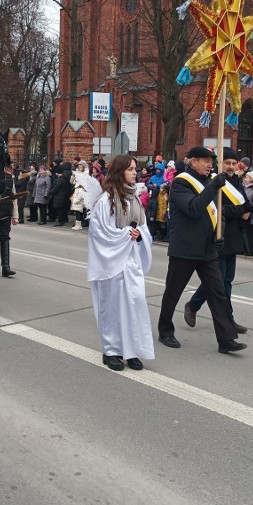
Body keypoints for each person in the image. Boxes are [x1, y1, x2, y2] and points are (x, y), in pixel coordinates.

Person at [156, 146, 245, 354]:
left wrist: (218, 234)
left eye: (211, 161)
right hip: (185, 249)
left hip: (207, 249)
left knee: (218, 293)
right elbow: (194, 209)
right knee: (173, 292)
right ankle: (165, 331)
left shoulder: (209, 183)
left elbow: (217, 213)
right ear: (193, 161)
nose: (210, 164)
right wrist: (213, 187)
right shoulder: (180, 183)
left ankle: (226, 339)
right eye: (205, 160)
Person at [87, 154, 154, 371]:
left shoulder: (134, 199)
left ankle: (132, 350)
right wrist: (126, 234)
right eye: (131, 169)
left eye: (136, 169)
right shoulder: (106, 201)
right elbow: (100, 232)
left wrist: (138, 234)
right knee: (113, 307)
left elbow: (144, 228)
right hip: (112, 263)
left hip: (131, 261)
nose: (136, 172)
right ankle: (112, 350)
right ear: (119, 172)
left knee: (135, 304)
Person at [184, 147, 253, 335]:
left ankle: (204, 309)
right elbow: (217, 208)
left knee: (227, 281)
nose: (231, 167)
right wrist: (241, 211)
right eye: (227, 163)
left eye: (233, 164)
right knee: (218, 281)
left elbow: (244, 204)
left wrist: (250, 209)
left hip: (234, 236)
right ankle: (205, 311)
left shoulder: (236, 182)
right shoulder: (213, 181)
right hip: (218, 235)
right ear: (219, 164)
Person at [0, 164, 19, 277]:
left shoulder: (9, 179)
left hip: (5, 214)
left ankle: (6, 267)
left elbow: (13, 198)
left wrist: (15, 216)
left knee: (5, 239)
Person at [70, 160, 89, 230]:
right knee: (77, 209)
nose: (80, 167)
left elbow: (84, 186)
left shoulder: (86, 174)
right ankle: (78, 224)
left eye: (81, 166)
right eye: (79, 166)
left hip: (81, 192)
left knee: (79, 209)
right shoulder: (77, 173)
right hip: (76, 191)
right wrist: (73, 175)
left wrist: (80, 195)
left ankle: (79, 225)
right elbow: (72, 182)